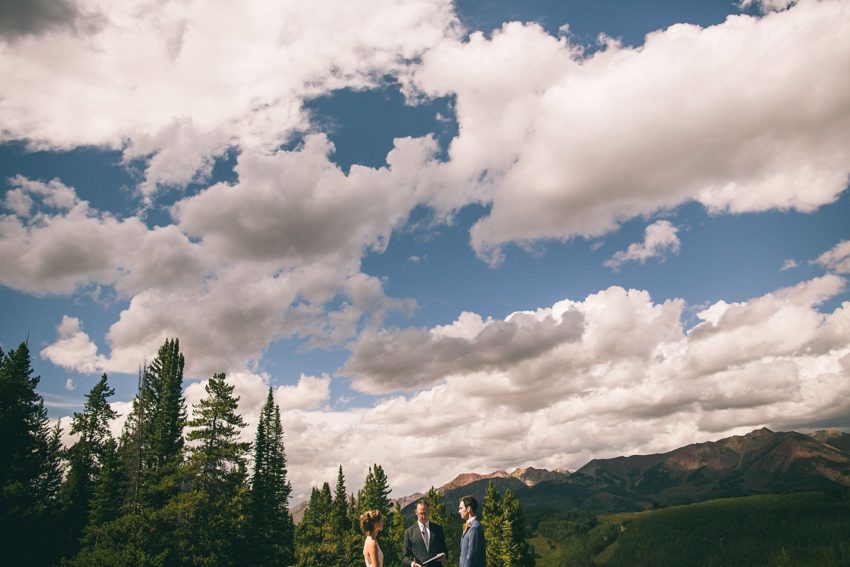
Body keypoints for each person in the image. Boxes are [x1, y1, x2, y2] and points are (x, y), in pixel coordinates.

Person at [402, 500, 448, 567]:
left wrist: (444, 555)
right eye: (421, 513)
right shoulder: (409, 532)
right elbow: (404, 557)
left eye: (425, 513)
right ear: (416, 513)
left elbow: (445, 550)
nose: (423, 516)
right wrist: (412, 564)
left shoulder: (438, 529)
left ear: (428, 511)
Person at [458, 495, 485, 567]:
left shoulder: (475, 528)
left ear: (469, 508)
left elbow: (471, 556)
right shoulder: (471, 526)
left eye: (461, 508)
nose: (459, 511)